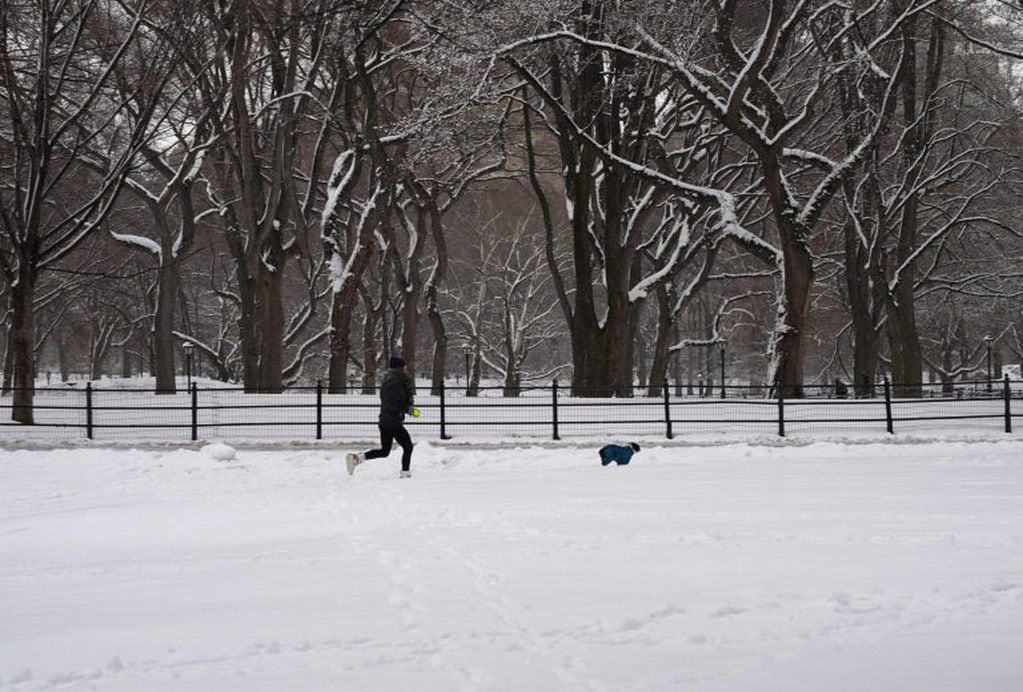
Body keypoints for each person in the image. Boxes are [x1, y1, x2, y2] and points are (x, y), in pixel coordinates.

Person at [347, 355, 417, 478]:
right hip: (392, 422)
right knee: (408, 446)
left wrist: (407, 409)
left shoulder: (389, 380)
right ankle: (405, 473)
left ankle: (356, 458)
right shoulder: (395, 382)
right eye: (404, 368)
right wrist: (409, 410)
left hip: (385, 420)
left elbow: (390, 401)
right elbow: (393, 402)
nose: (406, 370)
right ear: (399, 368)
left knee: (385, 451)